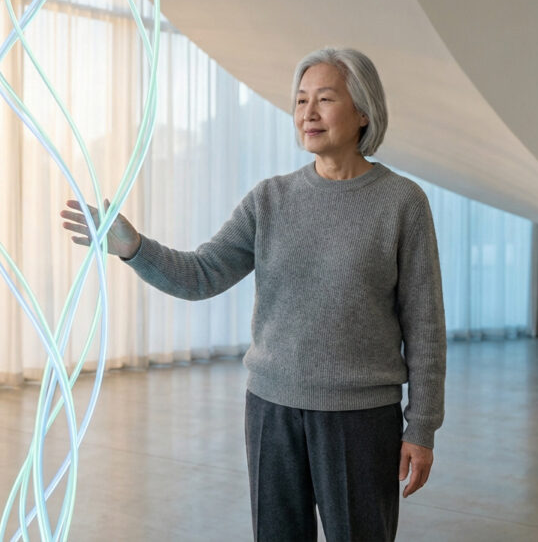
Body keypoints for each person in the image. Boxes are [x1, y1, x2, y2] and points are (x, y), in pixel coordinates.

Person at [60, 47, 446, 542]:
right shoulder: (270, 200)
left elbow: (425, 325)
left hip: (361, 417)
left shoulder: (402, 202)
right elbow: (201, 275)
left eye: (325, 99)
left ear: (364, 111)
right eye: (300, 100)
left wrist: (421, 427)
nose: (308, 113)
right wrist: (135, 248)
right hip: (271, 409)